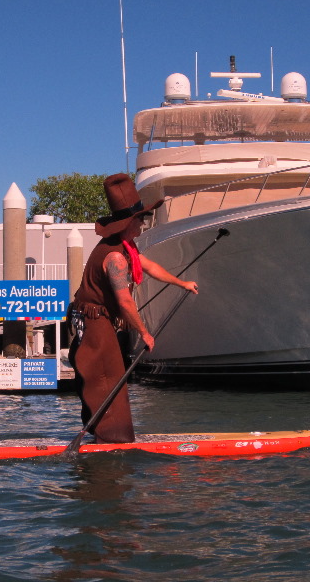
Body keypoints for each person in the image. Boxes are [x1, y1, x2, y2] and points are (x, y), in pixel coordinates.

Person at [68, 173, 198, 444]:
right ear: (129, 222)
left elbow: (149, 266)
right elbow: (125, 302)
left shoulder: (125, 247)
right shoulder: (115, 257)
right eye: (141, 219)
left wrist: (181, 283)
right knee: (108, 376)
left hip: (96, 318)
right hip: (92, 319)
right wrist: (145, 333)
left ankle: (100, 433)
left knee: (105, 374)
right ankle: (113, 438)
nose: (144, 223)